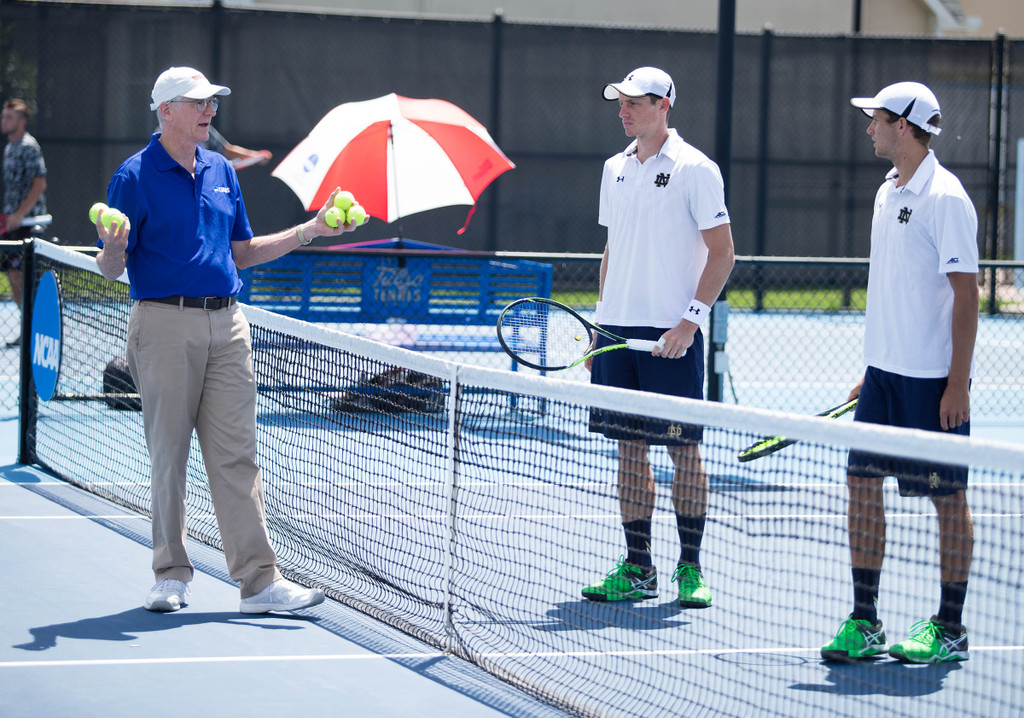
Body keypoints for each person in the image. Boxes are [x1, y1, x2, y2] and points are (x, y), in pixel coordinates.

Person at [95, 66, 358, 614]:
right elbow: (112, 269)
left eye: (212, 101)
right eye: (198, 102)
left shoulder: (221, 170)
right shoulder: (134, 175)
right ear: (166, 110)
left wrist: (312, 230)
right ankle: (170, 574)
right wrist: (111, 246)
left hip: (230, 325)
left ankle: (259, 583)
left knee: (238, 456)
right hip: (163, 324)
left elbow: (242, 252)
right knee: (169, 455)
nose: (210, 110)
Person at [821, 82, 978, 663]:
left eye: (878, 119)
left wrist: (956, 383)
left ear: (907, 125)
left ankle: (951, 625)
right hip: (883, 378)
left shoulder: (946, 198)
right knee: (860, 486)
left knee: (947, 500)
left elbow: (967, 296)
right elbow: (893, 289)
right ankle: (865, 621)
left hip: (932, 382)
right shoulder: (887, 191)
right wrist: (873, 367)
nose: (869, 128)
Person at [581, 67, 735, 608]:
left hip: (672, 334)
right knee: (628, 450)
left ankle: (689, 568)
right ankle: (638, 565)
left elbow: (723, 253)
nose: (622, 110)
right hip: (618, 333)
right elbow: (612, 251)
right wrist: (600, 328)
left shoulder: (697, 170)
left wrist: (689, 322)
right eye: (618, 102)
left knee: (684, 451)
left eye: (632, 103)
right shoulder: (613, 169)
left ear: (663, 104)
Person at [2, 98, 47, 346]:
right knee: (12, 275)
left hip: (28, 224)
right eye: (3, 116)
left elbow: (39, 184)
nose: (3, 121)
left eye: (8, 117)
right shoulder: (10, 147)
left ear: (21, 121)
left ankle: (34, 329)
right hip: (12, 225)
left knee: (23, 277)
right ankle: (28, 327)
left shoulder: (29, 147)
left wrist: (20, 215)